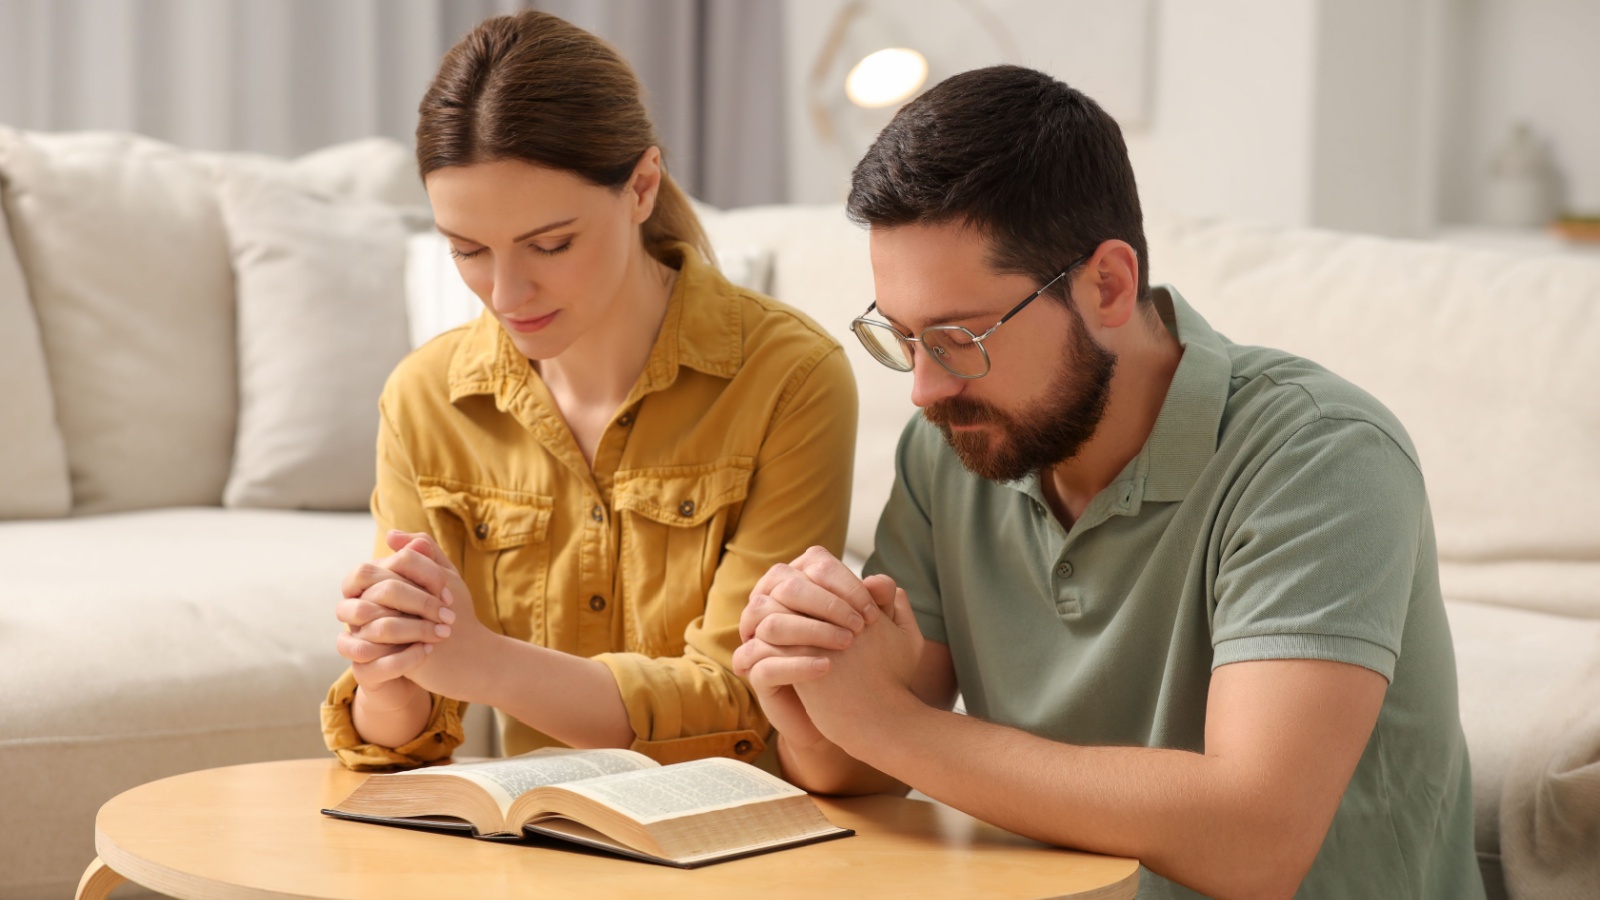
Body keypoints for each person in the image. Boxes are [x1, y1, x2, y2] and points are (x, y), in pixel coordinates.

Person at [732, 66, 1484, 899]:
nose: (925, 388)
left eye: (957, 337)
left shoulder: (1324, 455)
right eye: (901, 337)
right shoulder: (953, 446)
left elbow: (1254, 841)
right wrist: (806, 680)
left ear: (1108, 285)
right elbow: (857, 769)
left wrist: (890, 724)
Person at [321, 10, 856, 771]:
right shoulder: (424, 398)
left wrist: (483, 663)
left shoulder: (789, 377)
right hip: (542, 843)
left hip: (739, 843)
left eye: (551, 244)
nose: (507, 292)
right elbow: (405, 734)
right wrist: (386, 668)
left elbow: (746, 702)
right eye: (468, 250)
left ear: (641, 187)